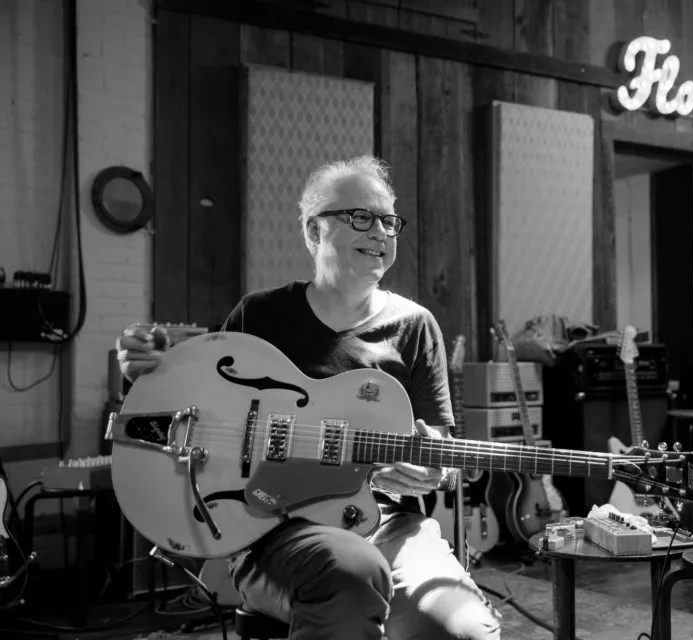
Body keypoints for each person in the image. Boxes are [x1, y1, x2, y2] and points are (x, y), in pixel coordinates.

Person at [116, 155, 502, 640]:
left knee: (464, 629)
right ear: (314, 232)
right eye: (361, 217)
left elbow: (437, 445)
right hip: (270, 529)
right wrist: (147, 373)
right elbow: (189, 409)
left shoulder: (416, 326)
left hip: (388, 521)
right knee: (350, 571)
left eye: (389, 221)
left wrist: (432, 469)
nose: (380, 232)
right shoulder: (260, 315)